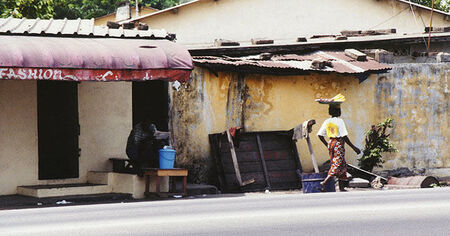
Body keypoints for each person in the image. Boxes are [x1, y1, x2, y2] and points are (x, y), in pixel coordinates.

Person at [317, 104, 361, 191]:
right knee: (337, 163)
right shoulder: (339, 121)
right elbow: (344, 136)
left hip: (331, 143)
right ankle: (324, 182)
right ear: (337, 112)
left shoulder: (327, 121)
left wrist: (327, 144)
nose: (340, 112)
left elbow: (320, 135)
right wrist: (354, 147)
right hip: (338, 144)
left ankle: (341, 187)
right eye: (339, 110)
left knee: (342, 164)